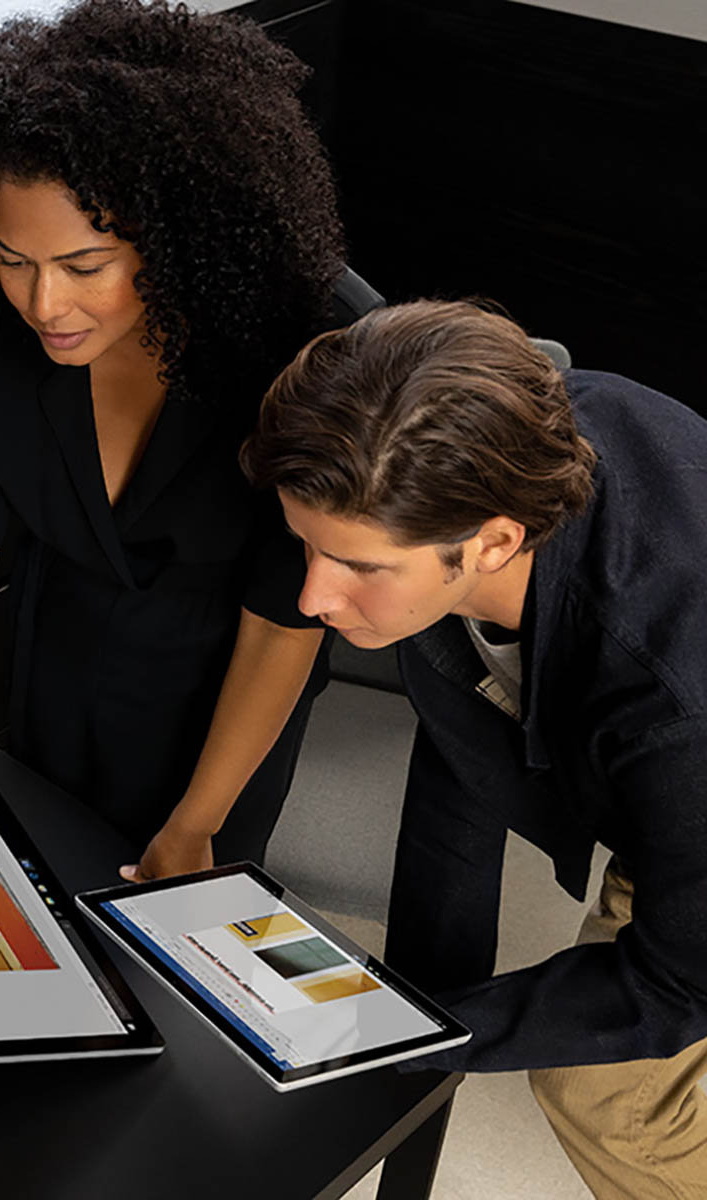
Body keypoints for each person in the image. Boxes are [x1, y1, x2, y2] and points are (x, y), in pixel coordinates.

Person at [0, 0, 344, 896]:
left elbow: (282, 629)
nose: (44, 306)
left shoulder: (288, 364)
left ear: (171, 237)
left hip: (226, 690)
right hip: (55, 663)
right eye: (12, 259)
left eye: (84, 267)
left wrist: (197, 822)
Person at [240, 298, 707, 1198]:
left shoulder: (676, 705)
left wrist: (419, 1037)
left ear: (493, 543)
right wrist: (405, 1025)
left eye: (360, 568)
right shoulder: (502, 451)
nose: (313, 599)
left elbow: (677, 986)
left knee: (615, 1099)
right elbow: (465, 763)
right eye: (308, 547)